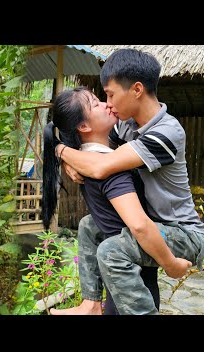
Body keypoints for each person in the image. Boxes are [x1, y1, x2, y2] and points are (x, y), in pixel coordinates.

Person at [54, 48, 204, 315]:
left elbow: (101, 166)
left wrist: (59, 151)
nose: (108, 102)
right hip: (157, 225)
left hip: (183, 234)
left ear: (136, 90)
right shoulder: (127, 125)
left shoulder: (167, 132)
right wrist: (67, 160)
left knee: (112, 251)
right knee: (88, 225)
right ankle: (91, 304)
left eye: (111, 94)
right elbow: (92, 140)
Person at [42, 87, 183, 315]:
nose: (107, 104)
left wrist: (62, 152)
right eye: (96, 103)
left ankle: (91, 305)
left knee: (88, 224)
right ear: (84, 127)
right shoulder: (108, 169)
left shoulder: (97, 155)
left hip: (120, 281)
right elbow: (138, 226)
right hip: (133, 283)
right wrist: (170, 263)